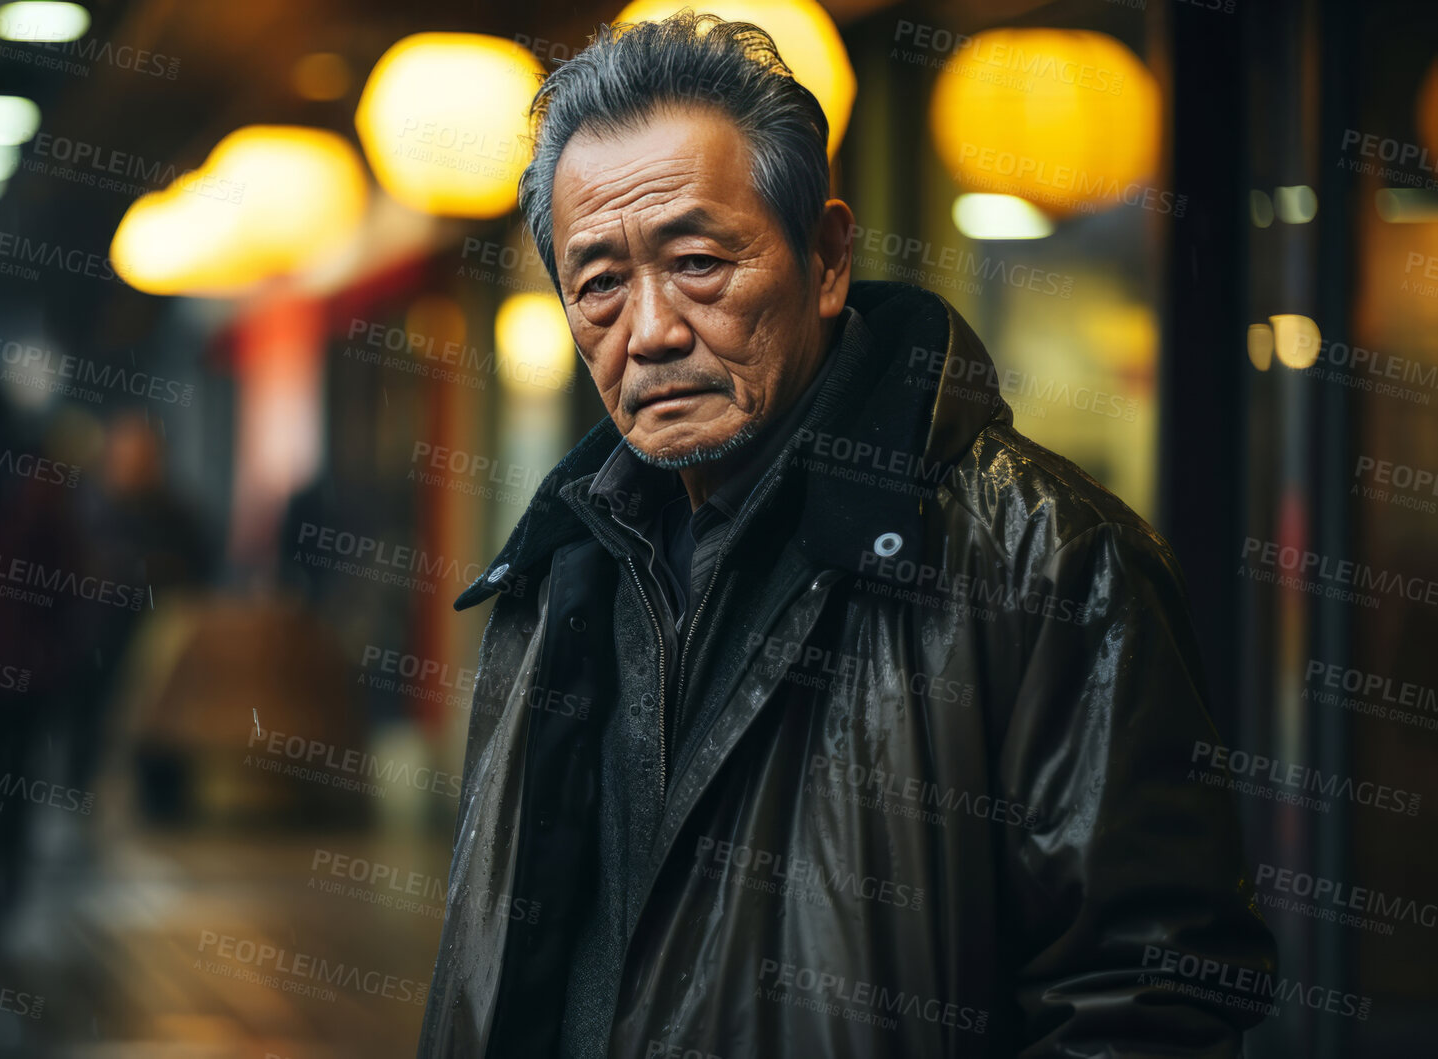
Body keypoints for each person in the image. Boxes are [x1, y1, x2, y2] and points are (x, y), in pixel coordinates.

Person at [419, 14, 1276, 1058]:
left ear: (824, 259)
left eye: (696, 261)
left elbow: (1146, 994)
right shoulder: (559, 570)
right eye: (597, 282)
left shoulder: (1045, 557)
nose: (647, 330)